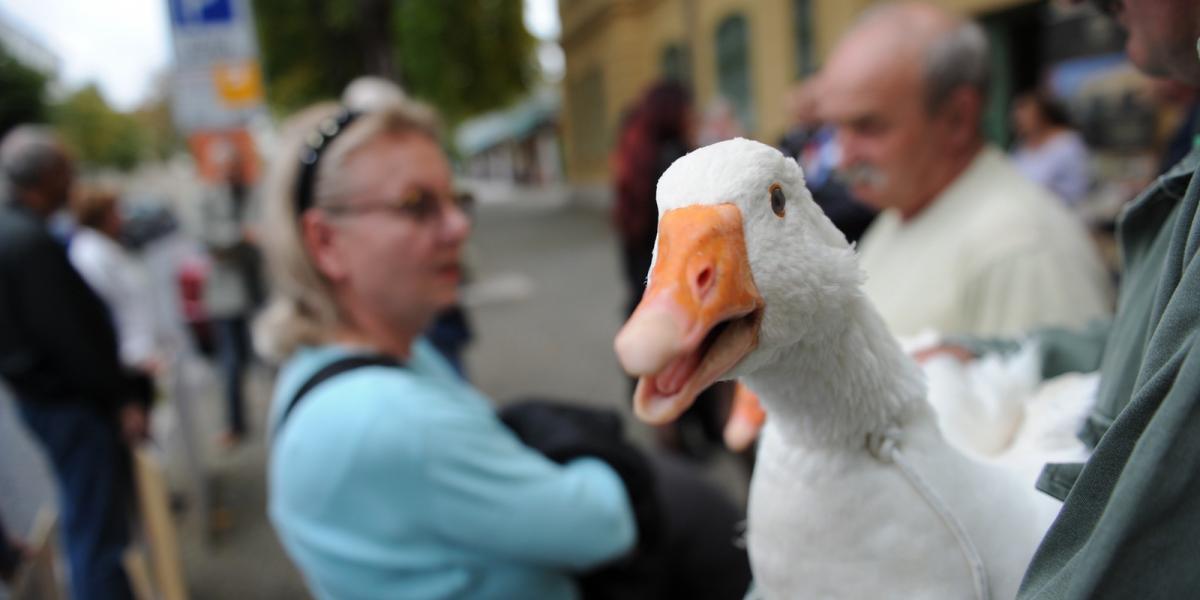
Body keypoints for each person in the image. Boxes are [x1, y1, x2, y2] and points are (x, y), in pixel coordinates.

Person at [256, 99, 641, 599]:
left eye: (456, 200)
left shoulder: (344, 364)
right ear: (326, 241)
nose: (459, 226)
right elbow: (604, 525)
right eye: (417, 204)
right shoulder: (388, 417)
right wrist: (602, 457)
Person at [926, 0, 1200, 596]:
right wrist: (1002, 351)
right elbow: (1151, 334)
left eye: (868, 125)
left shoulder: (1018, 237)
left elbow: (1154, 525)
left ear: (956, 115)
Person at [819, 3, 1114, 339]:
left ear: (957, 118)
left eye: (867, 127)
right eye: (837, 128)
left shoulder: (1022, 250)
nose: (843, 159)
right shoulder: (904, 211)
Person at [0, 126, 149, 600]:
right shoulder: (31, 243)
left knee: (88, 521)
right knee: (96, 535)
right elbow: (71, 339)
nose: (73, 180)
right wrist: (120, 397)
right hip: (69, 404)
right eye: (66, 170)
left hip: (43, 398)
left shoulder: (17, 233)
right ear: (46, 176)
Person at [198, 149, 259, 445]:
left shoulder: (254, 193)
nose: (230, 174)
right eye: (225, 169)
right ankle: (235, 424)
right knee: (232, 363)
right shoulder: (209, 198)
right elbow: (209, 241)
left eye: (235, 167)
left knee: (270, 356)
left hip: (259, 289)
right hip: (227, 295)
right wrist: (241, 236)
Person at [68, 187, 163, 373]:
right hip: (129, 359)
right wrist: (135, 353)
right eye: (116, 211)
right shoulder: (89, 254)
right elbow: (104, 311)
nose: (123, 218)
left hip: (143, 353)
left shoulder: (107, 247)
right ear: (101, 216)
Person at [777, 77, 877, 244]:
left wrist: (817, 213)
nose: (801, 112)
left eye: (811, 104)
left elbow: (861, 197)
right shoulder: (796, 140)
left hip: (852, 229)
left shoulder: (843, 134)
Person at [1011, 91, 1094, 208]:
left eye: (1026, 115)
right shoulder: (1019, 148)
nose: (1020, 121)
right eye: (1018, 116)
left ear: (1042, 114)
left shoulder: (1068, 142)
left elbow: (1081, 187)